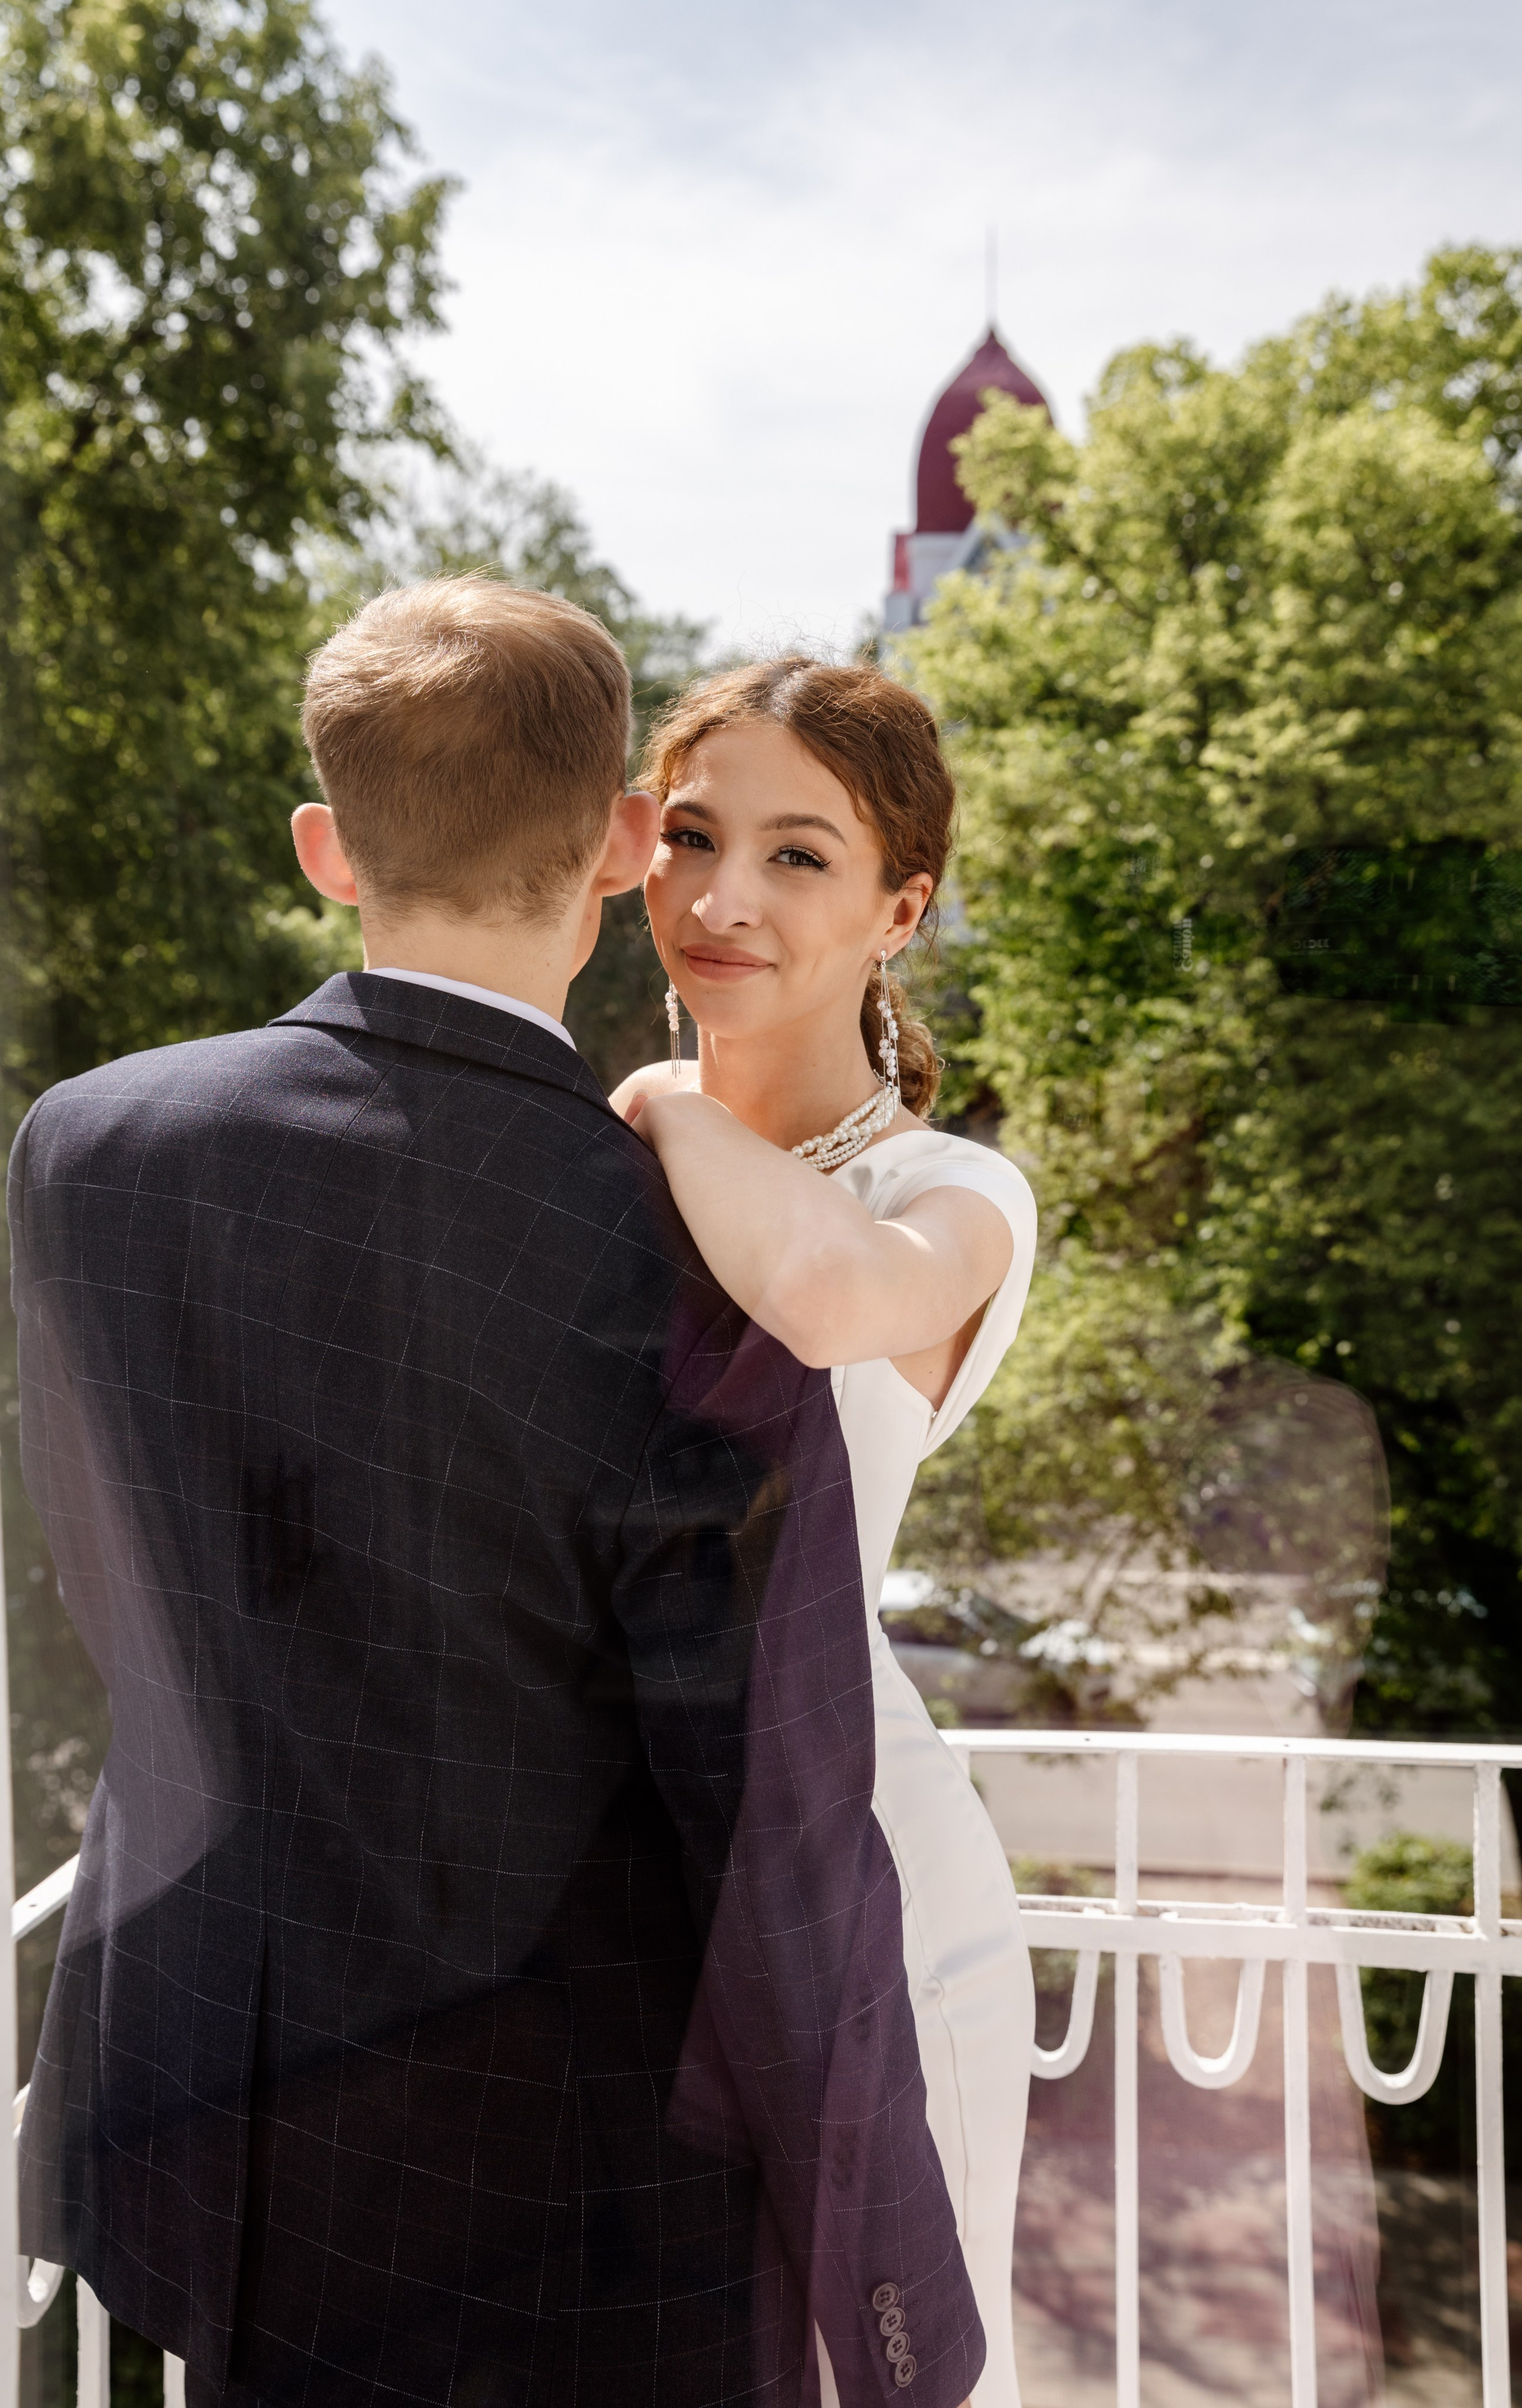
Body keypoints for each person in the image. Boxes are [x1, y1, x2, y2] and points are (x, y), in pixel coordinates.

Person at [11, 582, 983, 2408]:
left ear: (326, 848)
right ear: (625, 848)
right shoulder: (696, 1264)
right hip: (563, 2190)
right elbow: (771, 1816)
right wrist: (892, 2300)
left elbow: (109, 1583)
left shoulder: (87, 1145)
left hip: (208, 2102)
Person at [612, 658, 1038, 2408]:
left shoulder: (949, 1199)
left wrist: (655, 1104)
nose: (722, 900)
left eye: (798, 856)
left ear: (900, 909)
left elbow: (814, 1293)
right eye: (693, 837)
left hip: (859, 1873)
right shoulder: (589, 1172)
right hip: (619, 1893)